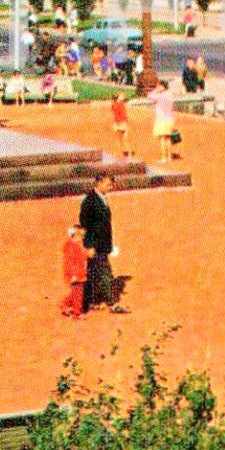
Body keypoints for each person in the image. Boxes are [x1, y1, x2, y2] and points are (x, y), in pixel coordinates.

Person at [78, 178, 125, 313]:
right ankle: (112, 304)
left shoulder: (100, 198)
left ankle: (90, 301)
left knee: (93, 273)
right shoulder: (90, 201)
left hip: (102, 243)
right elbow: (85, 225)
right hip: (95, 244)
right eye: (108, 184)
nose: (111, 186)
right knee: (105, 273)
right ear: (99, 183)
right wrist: (89, 245)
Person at [60, 226, 87, 318]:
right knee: (77, 294)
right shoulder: (70, 246)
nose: (83, 237)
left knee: (75, 293)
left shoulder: (77, 245)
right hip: (75, 275)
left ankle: (64, 305)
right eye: (81, 235)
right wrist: (74, 275)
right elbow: (70, 262)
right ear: (73, 235)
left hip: (80, 274)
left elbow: (83, 256)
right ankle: (77, 313)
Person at [151, 81, 179, 162]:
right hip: (170, 119)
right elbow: (173, 108)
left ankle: (164, 158)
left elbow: (149, 96)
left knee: (162, 139)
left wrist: (156, 90)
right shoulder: (170, 95)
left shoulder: (159, 96)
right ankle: (169, 157)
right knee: (168, 138)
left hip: (161, 120)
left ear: (162, 86)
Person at [110, 92, 131, 156]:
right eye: (122, 95)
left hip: (117, 123)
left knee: (119, 140)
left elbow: (115, 113)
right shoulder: (120, 104)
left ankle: (120, 153)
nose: (124, 96)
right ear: (119, 97)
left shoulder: (115, 104)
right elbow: (124, 114)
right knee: (125, 139)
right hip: (122, 123)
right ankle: (129, 154)